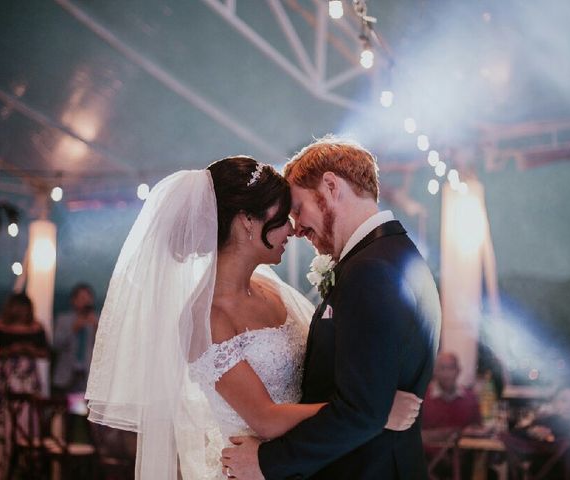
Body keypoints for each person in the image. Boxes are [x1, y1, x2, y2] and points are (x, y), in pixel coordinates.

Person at [85, 156, 423, 480]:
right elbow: (265, 418)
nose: (293, 229)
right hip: (252, 469)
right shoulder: (208, 318)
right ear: (247, 220)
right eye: (282, 215)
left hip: (303, 462)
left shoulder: (270, 289)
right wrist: (372, 413)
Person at [223, 137, 442, 479]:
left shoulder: (371, 271)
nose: (295, 227)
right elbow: (370, 400)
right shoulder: (395, 255)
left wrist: (267, 462)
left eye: (297, 208)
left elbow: (360, 413)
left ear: (330, 186)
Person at [0, 292, 49, 480]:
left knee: (28, 425)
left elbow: (45, 352)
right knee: (4, 428)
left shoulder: (37, 328)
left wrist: (31, 351)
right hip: (4, 384)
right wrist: (9, 351)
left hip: (29, 384)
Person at [422, 351, 481, 438]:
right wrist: (448, 433)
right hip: (427, 451)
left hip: (464, 450)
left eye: (451, 368)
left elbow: (477, 429)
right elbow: (413, 436)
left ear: (459, 370)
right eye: (442, 368)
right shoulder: (422, 397)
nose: (447, 373)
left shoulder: (470, 397)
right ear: (434, 371)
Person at [52, 283, 98, 395]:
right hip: (66, 375)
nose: (86, 302)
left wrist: (97, 328)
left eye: (88, 298)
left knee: (81, 411)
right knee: (65, 409)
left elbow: (105, 349)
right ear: (74, 300)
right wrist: (73, 329)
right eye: (82, 298)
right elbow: (56, 345)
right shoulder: (64, 319)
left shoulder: (96, 321)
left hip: (87, 375)